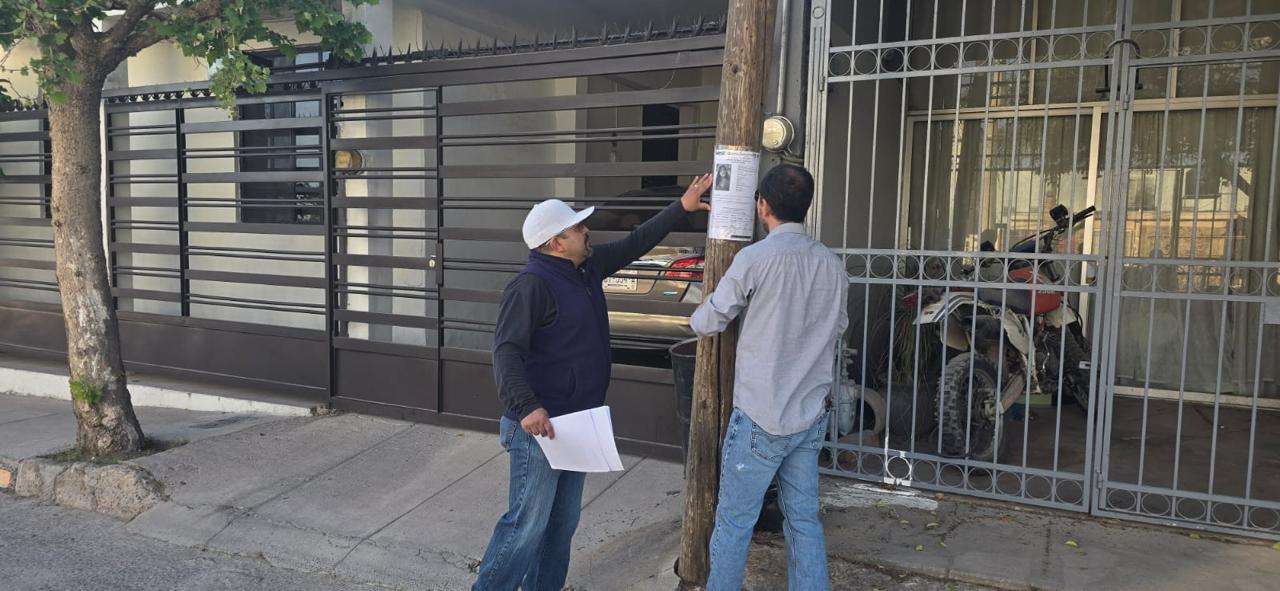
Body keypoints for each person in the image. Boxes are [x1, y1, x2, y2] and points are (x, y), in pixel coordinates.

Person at [472, 173, 713, 591]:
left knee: (561, 525)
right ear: (555, 243)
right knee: (526, 524)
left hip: (578, 423)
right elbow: (505, 351)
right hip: (539, 428)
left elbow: (635, 242)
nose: (587, 231)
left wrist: (681, 207)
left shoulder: (585, 268)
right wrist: (527, 407)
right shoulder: (531, 286)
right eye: (577, 228)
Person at [690, 164, 848, 591]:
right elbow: (838, 326)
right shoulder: (831, 264)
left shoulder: (755, 258)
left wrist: (694, 315)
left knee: (735, 521)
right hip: (809, 416)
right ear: (805, 206)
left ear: (762, 205)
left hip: (760, 416)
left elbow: (711, 318)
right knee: (803, 520)